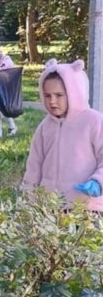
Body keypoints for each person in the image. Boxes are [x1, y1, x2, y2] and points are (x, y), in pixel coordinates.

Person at [22, 58, 103, 209]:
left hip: (86, 207)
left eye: (59, 95)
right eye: (47, 96)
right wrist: (29, 196)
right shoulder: (45, 126)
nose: (52, 101)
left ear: (75, 92)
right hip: (50, 206)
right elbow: (34, 164)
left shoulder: (94, 121)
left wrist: (98, 181)